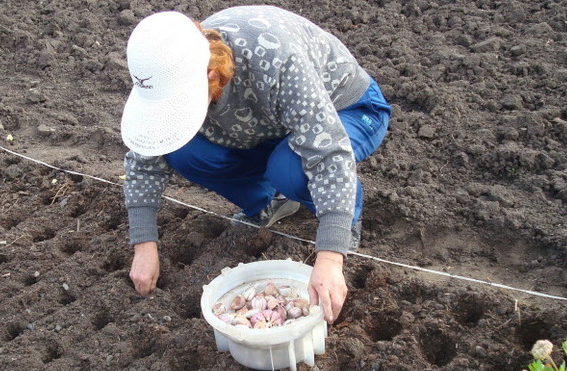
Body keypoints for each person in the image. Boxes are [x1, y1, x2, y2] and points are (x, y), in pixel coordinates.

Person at [120, 6, 391, 323]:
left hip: (347, 109)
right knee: (184, 151)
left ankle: (348, 219)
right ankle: (269, 202)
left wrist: (330, 256)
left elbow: (327, 151)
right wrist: (144, 245)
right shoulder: (164, 68)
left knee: (290, 168)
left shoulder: (274, 61)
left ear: (210, 76)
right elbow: (145, 155)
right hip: (270, 124)